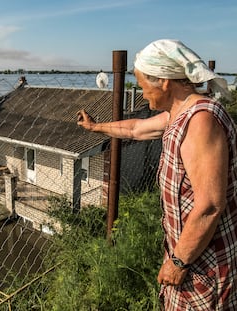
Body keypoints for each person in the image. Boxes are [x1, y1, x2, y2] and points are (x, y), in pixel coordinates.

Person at [77, 39, 237, 310]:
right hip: (194, 255)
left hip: (206, 262)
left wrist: (178, 262)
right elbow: (136, 129)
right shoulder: (180, 113)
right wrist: (95, 127)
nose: (141, 93)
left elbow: (210, 206)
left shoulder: (200, 121)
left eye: (142, 85)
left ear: (163, 81)